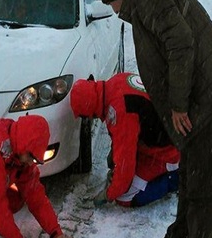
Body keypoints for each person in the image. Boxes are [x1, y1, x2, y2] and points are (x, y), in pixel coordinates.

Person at [96, 0, 212, 238]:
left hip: (209, 99)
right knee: (190, 175)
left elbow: (181, 43)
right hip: (197, 100)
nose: (113, 12)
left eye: (110, 3)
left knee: (202, 188)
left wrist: (177, 105)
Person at [69, 72, 180, 207]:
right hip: (170, 132)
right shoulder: (115, 82)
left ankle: (176, 178)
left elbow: (125, 169)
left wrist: (108, 194)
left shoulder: (119, 111)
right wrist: (115, 153)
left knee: (124, 197)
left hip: (168, 151)